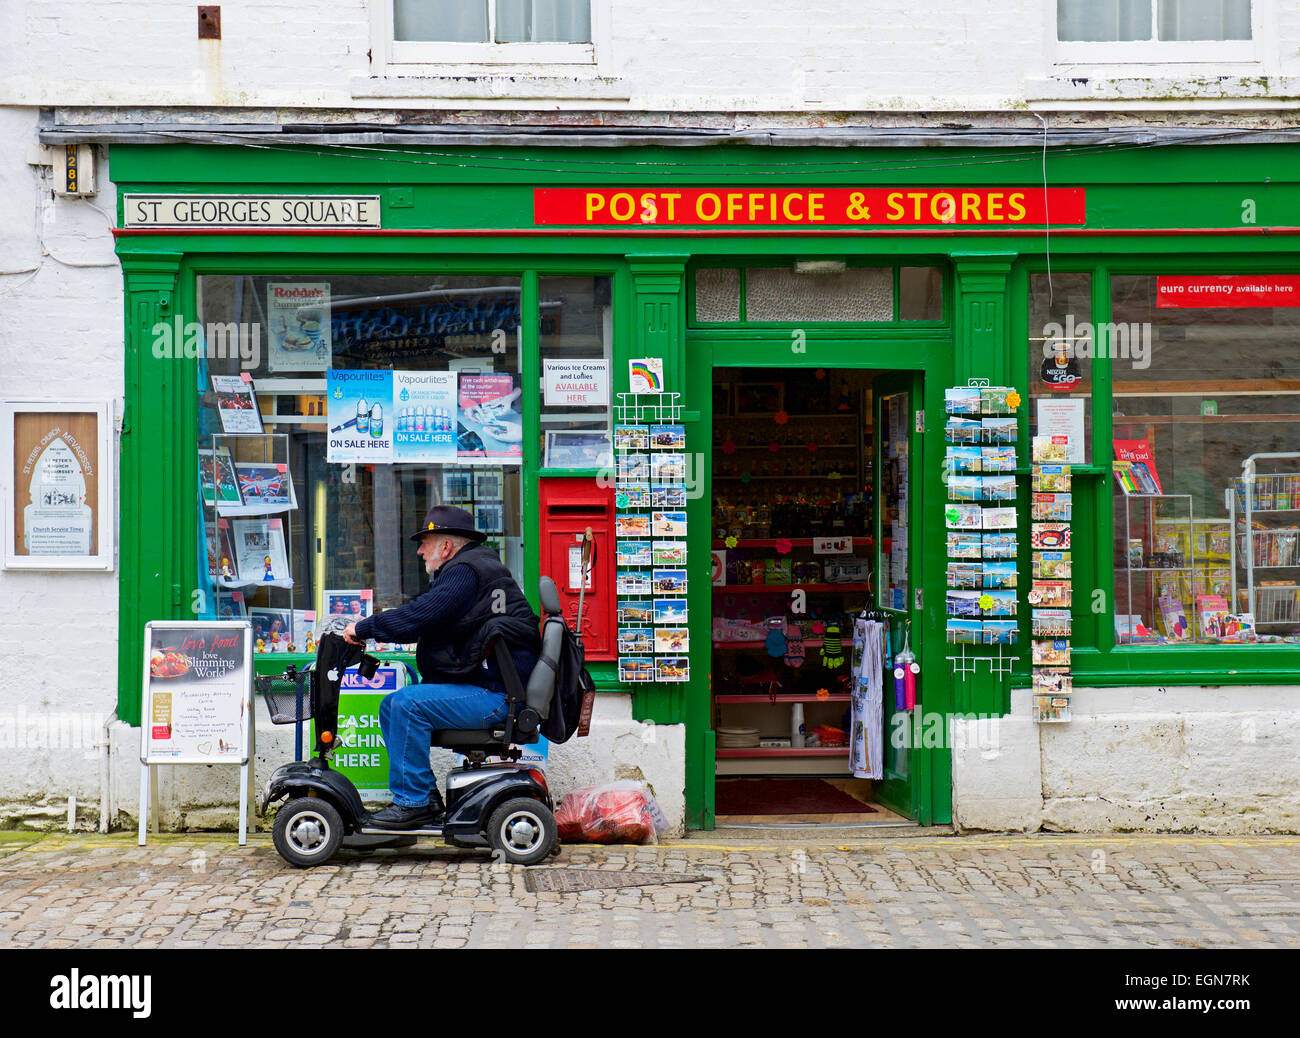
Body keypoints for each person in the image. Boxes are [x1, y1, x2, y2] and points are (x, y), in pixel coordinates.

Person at [344, 504, 540, 828]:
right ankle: (426, 797)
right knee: (392, 705)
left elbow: (422, 615)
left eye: (425, 543)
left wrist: (363, 628)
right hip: (493, 689)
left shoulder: (465, 571)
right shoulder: (476, 567)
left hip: (499, 698)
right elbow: (430, 619)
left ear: (446, 547)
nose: (420, 551)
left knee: (408, 704)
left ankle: (412, 802)